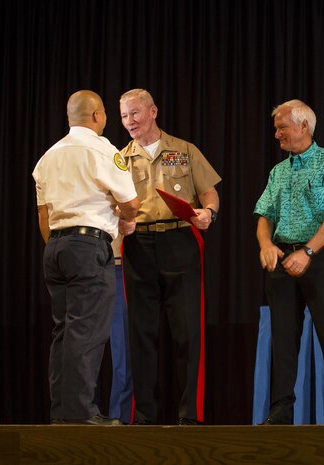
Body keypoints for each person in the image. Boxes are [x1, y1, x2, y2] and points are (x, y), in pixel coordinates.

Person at [32, 90, 140, 425]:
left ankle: (61, 413)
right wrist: (122, 216)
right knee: (88, 331)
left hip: (56, 248)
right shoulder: (103, 150)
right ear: (97, 116)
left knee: (64, 332)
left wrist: (60, 246)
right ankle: (80, 414)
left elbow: (43, 216)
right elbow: (132, 203)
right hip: (88, 247)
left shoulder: (48, 157)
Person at [254, 99, 324, 425]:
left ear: (303, 126)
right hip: (283, 260)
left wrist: (309, 252)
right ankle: (281, 411)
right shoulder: (279, 171)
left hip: (321, 257)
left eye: (282, 127)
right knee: (283, 338)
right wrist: (266, 244)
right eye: (276, 128)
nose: (277, 134)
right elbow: (264, 215)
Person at [118, 88, 221, 425]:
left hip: (180, 240)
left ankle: (190, 417)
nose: (129, 121)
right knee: (141, 334)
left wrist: (208, 212)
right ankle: (145, 417)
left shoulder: (184, 150)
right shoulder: (119, 159)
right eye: (123, 116)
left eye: (134, 113)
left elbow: (209, 192)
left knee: (188, 333)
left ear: (153, 111)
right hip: (138, 246)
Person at [108, 235, 133, 424]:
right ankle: (78, 412)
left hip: (123, 264)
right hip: (95, 261)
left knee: (123, 348)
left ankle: (120, 416)